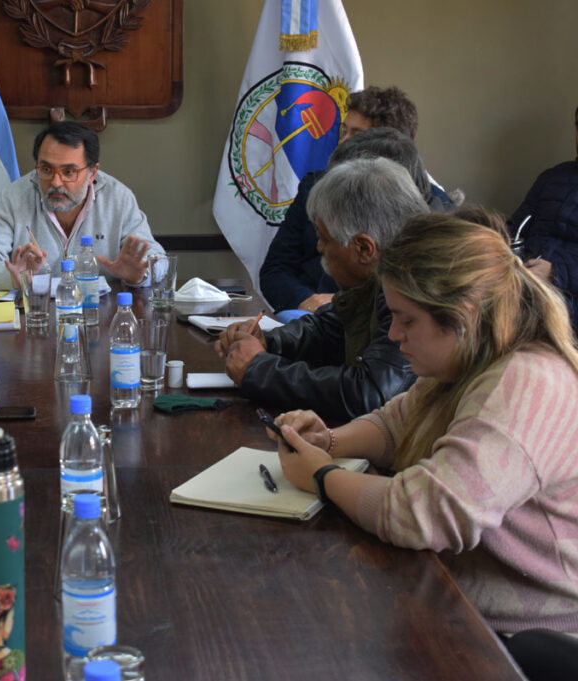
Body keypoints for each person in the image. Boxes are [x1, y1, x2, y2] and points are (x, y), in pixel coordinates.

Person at [269, 214, 578, 637]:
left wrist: (323, 477)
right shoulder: (476, 352)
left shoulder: (524, 385)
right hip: (460, 606)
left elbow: (422, 515)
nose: (394, 334)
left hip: (527, 642)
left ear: (462, 315)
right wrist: (330, 440)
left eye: (406, 319)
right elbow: (398, 423)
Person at [216, 156, 428, 422]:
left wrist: (260, 369)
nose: (318, 248)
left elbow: (369, 395)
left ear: (364, 248)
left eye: (324, 239)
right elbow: (331, 328)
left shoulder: (413, 287)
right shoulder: (382, 272)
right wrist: (269, 341)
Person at [259, 85, 454, 314]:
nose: (344, 142)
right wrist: (306, 302)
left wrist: (342, 303)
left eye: (356, 135)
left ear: (388, 143)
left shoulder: (433, 207)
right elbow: (275, 270)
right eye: (344, 131)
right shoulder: (315, 187)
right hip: (305, 318)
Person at [0, 122, 165, 290]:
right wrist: (13, 277)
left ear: (92, 173)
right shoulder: (15, 197)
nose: (56, 182)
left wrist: (140, 273)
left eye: (69, 172)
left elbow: (158, 258)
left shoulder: (118, 198)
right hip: (35, 318)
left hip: (99, 317)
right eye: (46, 169)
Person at [507, 105, 578, 334]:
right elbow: (515, 228)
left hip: (566, 297)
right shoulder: (552, 177)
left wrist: (555, 272)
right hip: (521, 278)